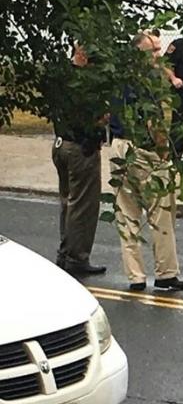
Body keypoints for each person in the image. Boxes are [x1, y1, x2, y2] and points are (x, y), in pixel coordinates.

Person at [109, 31, 183, 291]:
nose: (158, 55)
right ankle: (166, 273)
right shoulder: (149, 82)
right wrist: (163, 151)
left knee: (126, 213)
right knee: (161, 210)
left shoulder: (119, 79)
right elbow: (153, 121)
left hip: (119, 146)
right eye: (152, 51)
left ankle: (135, 276)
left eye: (158, 49)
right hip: (144, 149)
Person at [51, 44, 108, 275]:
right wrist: (100, 121)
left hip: (61, 143)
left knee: (68, 202)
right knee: (83, 205)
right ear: (81, 51)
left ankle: (65, 252)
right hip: (81, 147)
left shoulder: (61, 77)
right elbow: (92, 117)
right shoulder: (85, 83)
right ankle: (77, 257)